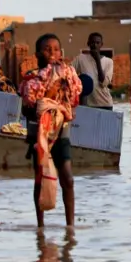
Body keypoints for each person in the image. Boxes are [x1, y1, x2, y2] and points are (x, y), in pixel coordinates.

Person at [20, 34, 82, 229]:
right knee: (40, 179)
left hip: (62, 131)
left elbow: (75, 96)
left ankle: (70, 227)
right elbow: (26, 107)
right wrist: (44, 104)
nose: (53, 53)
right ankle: (40, 228)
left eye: (56, 49)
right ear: (38, 54)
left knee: (68, 178)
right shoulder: (32, 78)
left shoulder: (68, 74)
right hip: (40, 134)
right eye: (48, 49)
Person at [73, 32, 115, 110]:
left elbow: (104, 83)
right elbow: (69, 73)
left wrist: (97, 61)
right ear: (88, 44)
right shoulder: (80, 59)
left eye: (97, 43)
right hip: (87, 104)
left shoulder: (108, 61)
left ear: (101, 44)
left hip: (105, 103)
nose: (95, 45)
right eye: (92, 42)